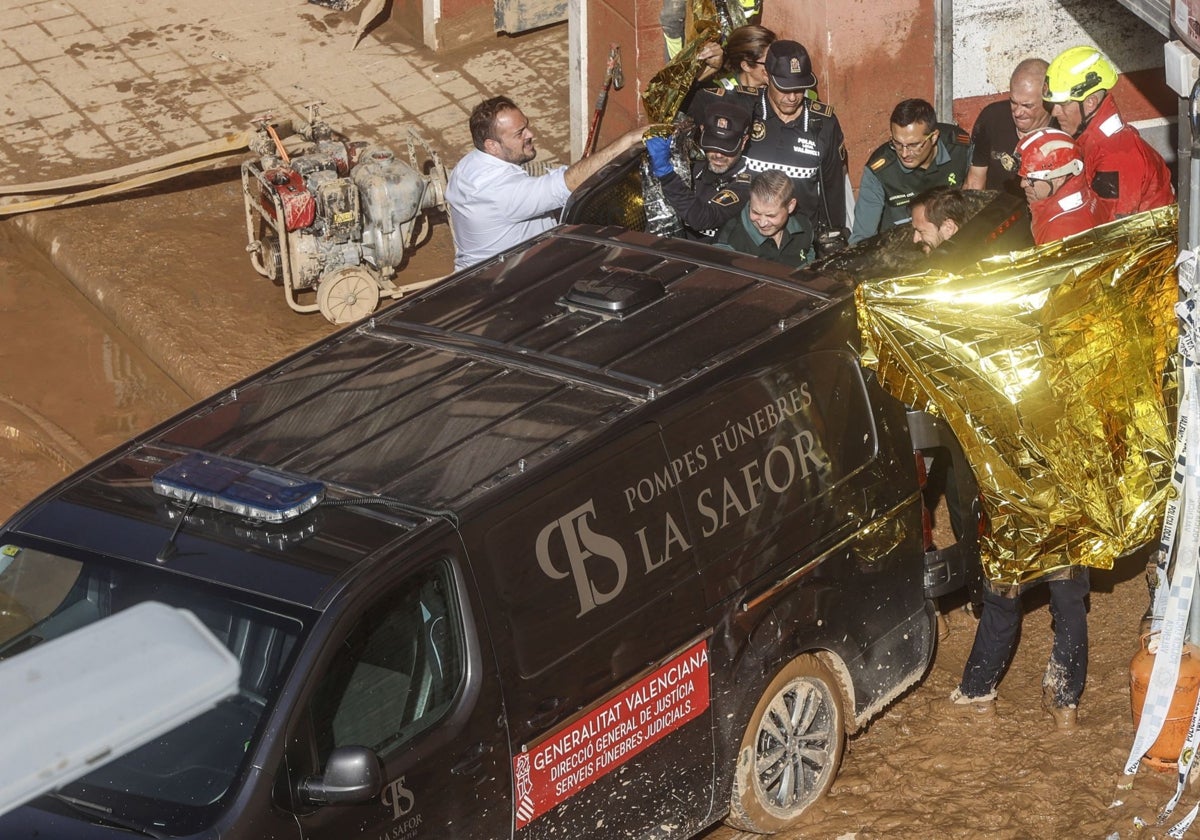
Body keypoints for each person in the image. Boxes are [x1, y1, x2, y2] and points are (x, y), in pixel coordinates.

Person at [446, 96, 645, 270]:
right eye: (519, 133)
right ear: (492, 146)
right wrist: (628, 140)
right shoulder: (500, 193)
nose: (530, 134)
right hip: (509, 286)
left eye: (526, 126)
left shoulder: (468, 165)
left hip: (483, 275)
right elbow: (568, 184)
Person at [729, 40, 848, 237]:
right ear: (766, 75)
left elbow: (833, 191)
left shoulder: (824, 123)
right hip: (743, 239)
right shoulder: (742, 109)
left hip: (800, 242)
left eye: (800, 89)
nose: (792, 97)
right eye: (784, 88)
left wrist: (834, 236)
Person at [1043, 45, 1174, 223]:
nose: (1054, 112)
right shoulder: (1095, 139)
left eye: (1063, 103)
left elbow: (1112, 233)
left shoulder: (1115, 157)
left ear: (1090, 102)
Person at [850, 98, 971, 244]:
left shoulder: (960, 149)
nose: (904, 153)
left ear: (933, 137)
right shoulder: (880, 170)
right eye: (897, 143)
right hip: (900, 251)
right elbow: (862, 237)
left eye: (913, 145)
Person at [645, 100, 753, 241]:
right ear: (702, 131)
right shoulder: (693, 166)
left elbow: (701, 218)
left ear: (744, 141)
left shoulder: (745, 185)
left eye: (727, 148)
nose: (719, 155)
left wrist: (667, 176)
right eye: (714, 145)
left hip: (710, 259)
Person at [964, 58, 1053, 195]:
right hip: (998, 211)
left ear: (1047, 101)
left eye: (1027, 106)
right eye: (1013, 102)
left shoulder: (1063, 127)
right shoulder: (992, 118)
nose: (1017, 113)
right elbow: (975, 180)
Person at [1015, 127, 1102, 245]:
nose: (1022, 184)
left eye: (1030, 179)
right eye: (1022, 177)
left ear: (1059, 177)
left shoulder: (1060, 232)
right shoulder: (1084, 194)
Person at [714, 169, 814, 266]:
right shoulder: (729, 240)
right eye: (755, 212)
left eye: (771, 215)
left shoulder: (804, 227)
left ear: (790, 206)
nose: (762, 223)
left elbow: (808, 264)